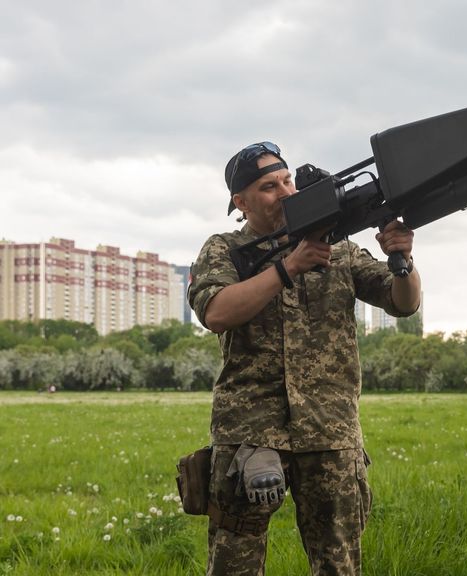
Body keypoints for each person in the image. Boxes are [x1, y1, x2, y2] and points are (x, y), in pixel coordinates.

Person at [188, 141, 421, 575]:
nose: (285, 191)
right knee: (233, 564)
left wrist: (402, 260)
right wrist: (287, 268)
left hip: (329, 432)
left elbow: (402, 303)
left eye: (287, 180)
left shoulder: (340, 249)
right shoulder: (222, 249)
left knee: (339, 565)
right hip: (250, 433)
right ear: (241, 202)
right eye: (268, 187)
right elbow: (216, 312)